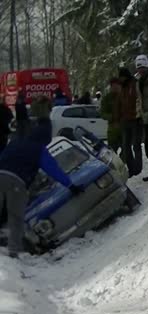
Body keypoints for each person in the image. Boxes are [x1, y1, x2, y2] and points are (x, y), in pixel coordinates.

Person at [0, 103, 81, 258]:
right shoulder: (39, 150)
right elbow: (54, 170)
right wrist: (71, 186)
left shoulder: (15, 141)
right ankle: (11, 254)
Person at [114, 67, 143, 178]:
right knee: (126, 146)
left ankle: (138, 167)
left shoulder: (134, 85)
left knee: (136, 145)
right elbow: (118, 104)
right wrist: (118, 118)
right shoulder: (122, 88)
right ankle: (132, 168)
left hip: (135, 119)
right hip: (125, 120)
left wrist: (139, 115)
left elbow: (139, 100)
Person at [100, 78, 123, 155]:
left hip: (124, 128)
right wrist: (113, 117)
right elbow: (103, 113)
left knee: (126, 151)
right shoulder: (107, 98)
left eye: (117, 86)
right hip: (112, 129)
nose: (115, 88)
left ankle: (122, 164)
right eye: (113, 86)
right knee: (112, 152)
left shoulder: (125, 97)